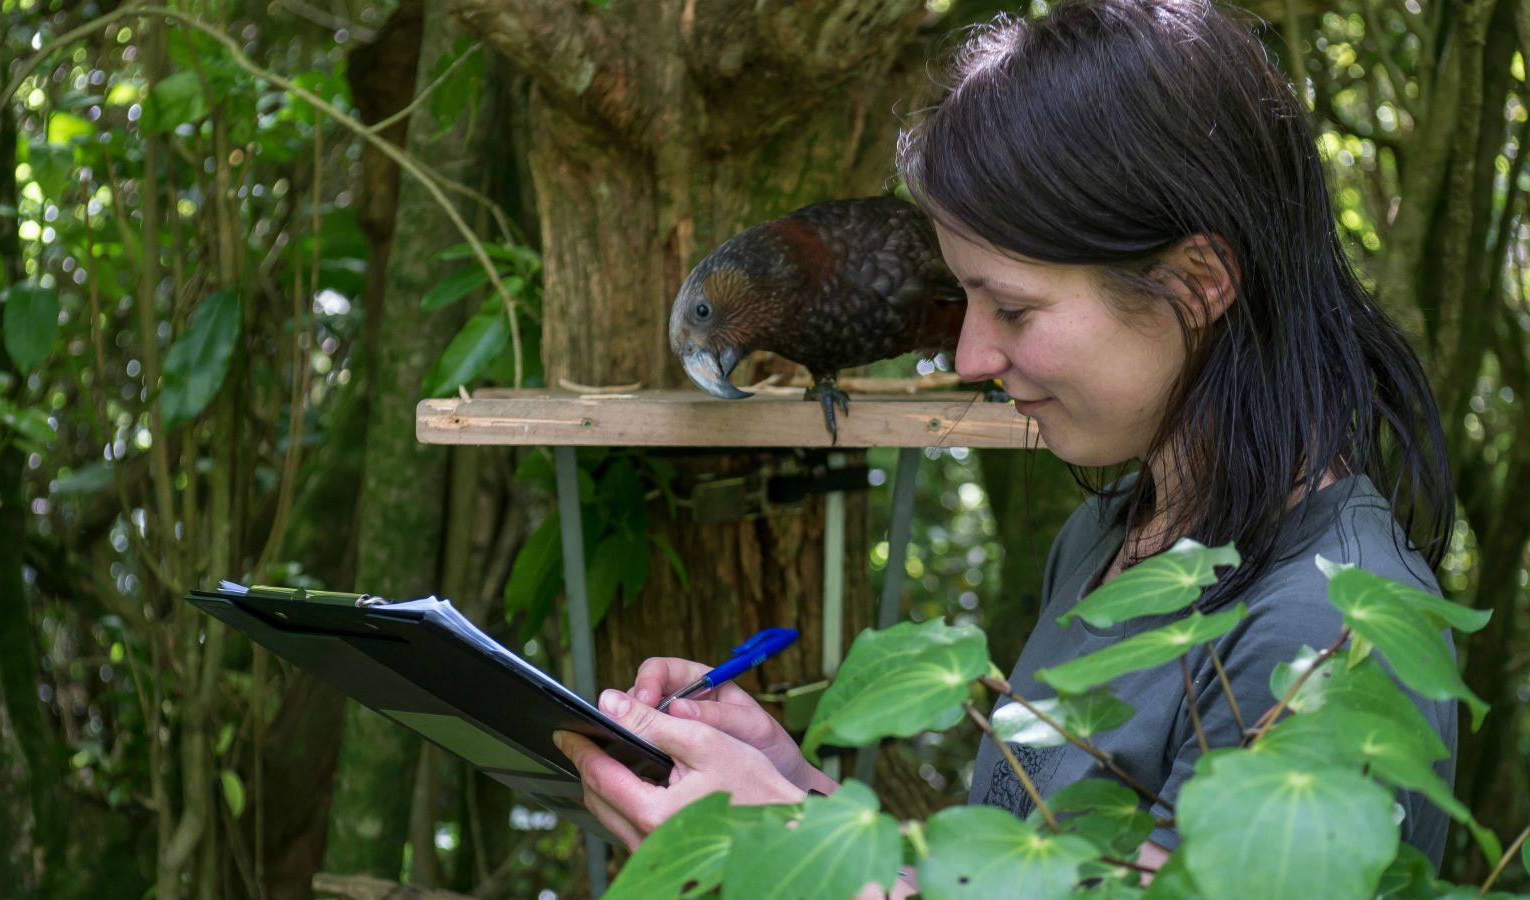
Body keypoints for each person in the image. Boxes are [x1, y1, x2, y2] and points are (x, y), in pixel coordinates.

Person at [554, 0, 1459, 885]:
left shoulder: (1328, 635)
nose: (970, 354)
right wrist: (800, 806)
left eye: (1013, 307)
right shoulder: (1113, 536)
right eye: (965, 299)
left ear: (1197, 281)